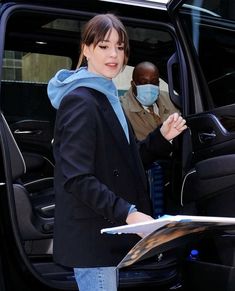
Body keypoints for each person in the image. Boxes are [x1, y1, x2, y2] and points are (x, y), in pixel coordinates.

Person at [47, 13, 187, 291]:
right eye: (103, 46)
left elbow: (123, 162)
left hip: (102, 234)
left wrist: (160, 138)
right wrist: (128, 213)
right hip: (93, 238)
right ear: (86, 49)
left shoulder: (104, 95)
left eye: (120, 47)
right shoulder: (81, 101)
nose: (114, 55)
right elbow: (76, 178)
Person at [120, 61, 180, 141]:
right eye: (143, 82)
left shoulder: (170, 99)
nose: (149, 87)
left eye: (154, 82)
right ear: (133, 84)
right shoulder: (122, 109)